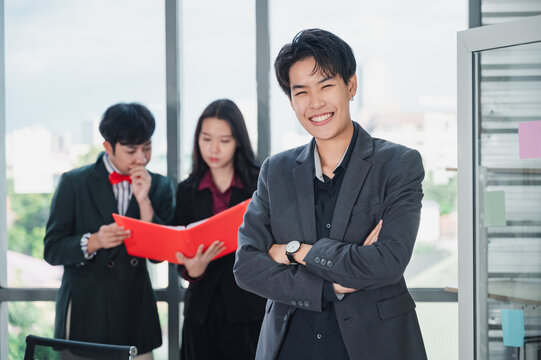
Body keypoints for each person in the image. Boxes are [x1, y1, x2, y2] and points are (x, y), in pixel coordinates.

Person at [233, 29, 428, 360]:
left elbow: (388, 262)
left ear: (350, 86)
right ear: (292, 100)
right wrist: (331, 285)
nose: (316, 103)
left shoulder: (397, 165)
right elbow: (248, 266)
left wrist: (296, 251)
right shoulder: (275, 171)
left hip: (374, 345)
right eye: (301, 92)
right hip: (289, 346)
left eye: (325, 85)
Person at [44, 103, 175, 359]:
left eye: (147, 148)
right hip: (85, 310)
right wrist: (94, 241)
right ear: (108, 146)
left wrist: (144, 202)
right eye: (131, 150)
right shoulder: (74, 182)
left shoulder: (159, 186)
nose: (141, 158)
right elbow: (52, 250)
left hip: (135, 312)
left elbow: (160, 256)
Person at [173, 99, 266, 360]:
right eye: (206, 139)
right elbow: (179, 247)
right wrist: (191, 270)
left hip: (248, 308)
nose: (213, 149)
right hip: (201, 312)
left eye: (224, 141)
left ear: (238, 141)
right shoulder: (187, 190)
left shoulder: (261, 183)